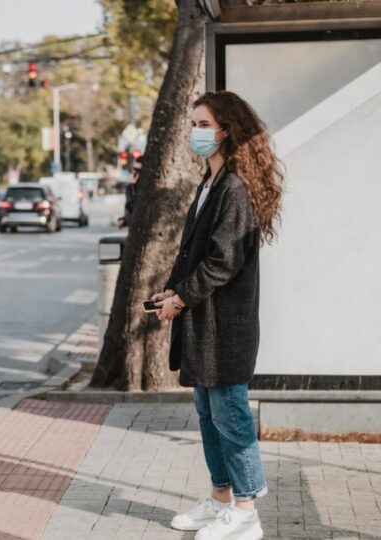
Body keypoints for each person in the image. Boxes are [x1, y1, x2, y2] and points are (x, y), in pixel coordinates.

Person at [152, 91, 284, 540]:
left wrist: (181, 299)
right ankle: (221, 499)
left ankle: (246, 513)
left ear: (226, 130)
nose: (196, 132)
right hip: (203, 323)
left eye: (203, 124)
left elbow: (223, 262)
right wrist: (170, 291)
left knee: (230, 413)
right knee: (209, 413)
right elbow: (193, 252)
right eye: (195, 123)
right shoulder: (209, 183)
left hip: (226, 326)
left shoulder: (235, 188)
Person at [117, 155, 142, 229]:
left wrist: (130, 187)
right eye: (133, 170)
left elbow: (134, 207)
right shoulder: (134, 187)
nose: (134, 174)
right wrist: (124, 220)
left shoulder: (138, 188)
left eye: (137, 170)